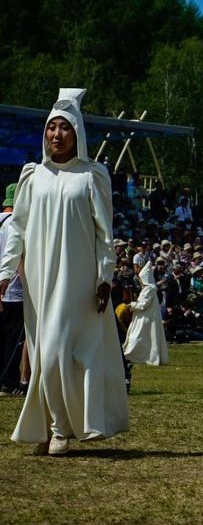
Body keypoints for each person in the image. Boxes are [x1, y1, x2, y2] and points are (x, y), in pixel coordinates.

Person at [0, 88, 129, 455]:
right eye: (51, 128)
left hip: (78, 279)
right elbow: (19, 229)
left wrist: (105, 277)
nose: (56, 135)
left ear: (78, 134)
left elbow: (106, 233)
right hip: (38, 278)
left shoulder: (92, 176)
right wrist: (4, 273)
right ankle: (45, 426)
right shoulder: (32, 176)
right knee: (42, 353)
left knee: (57, 351)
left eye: (64, 128)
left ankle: (59, 428)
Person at [0, 183, 27, 396]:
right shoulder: (16, 224)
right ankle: (8, 381)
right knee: (13, 339)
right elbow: (19, 256)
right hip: (13, 289)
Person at [123, 262, 170, 366]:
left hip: (145, 318)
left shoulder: (149, 289)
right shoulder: (148, 289)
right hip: (143, 317)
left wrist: (131, 305)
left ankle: (131, 355)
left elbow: (142, 305)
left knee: (137, 337)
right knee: (140, 337)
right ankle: (134, 355)